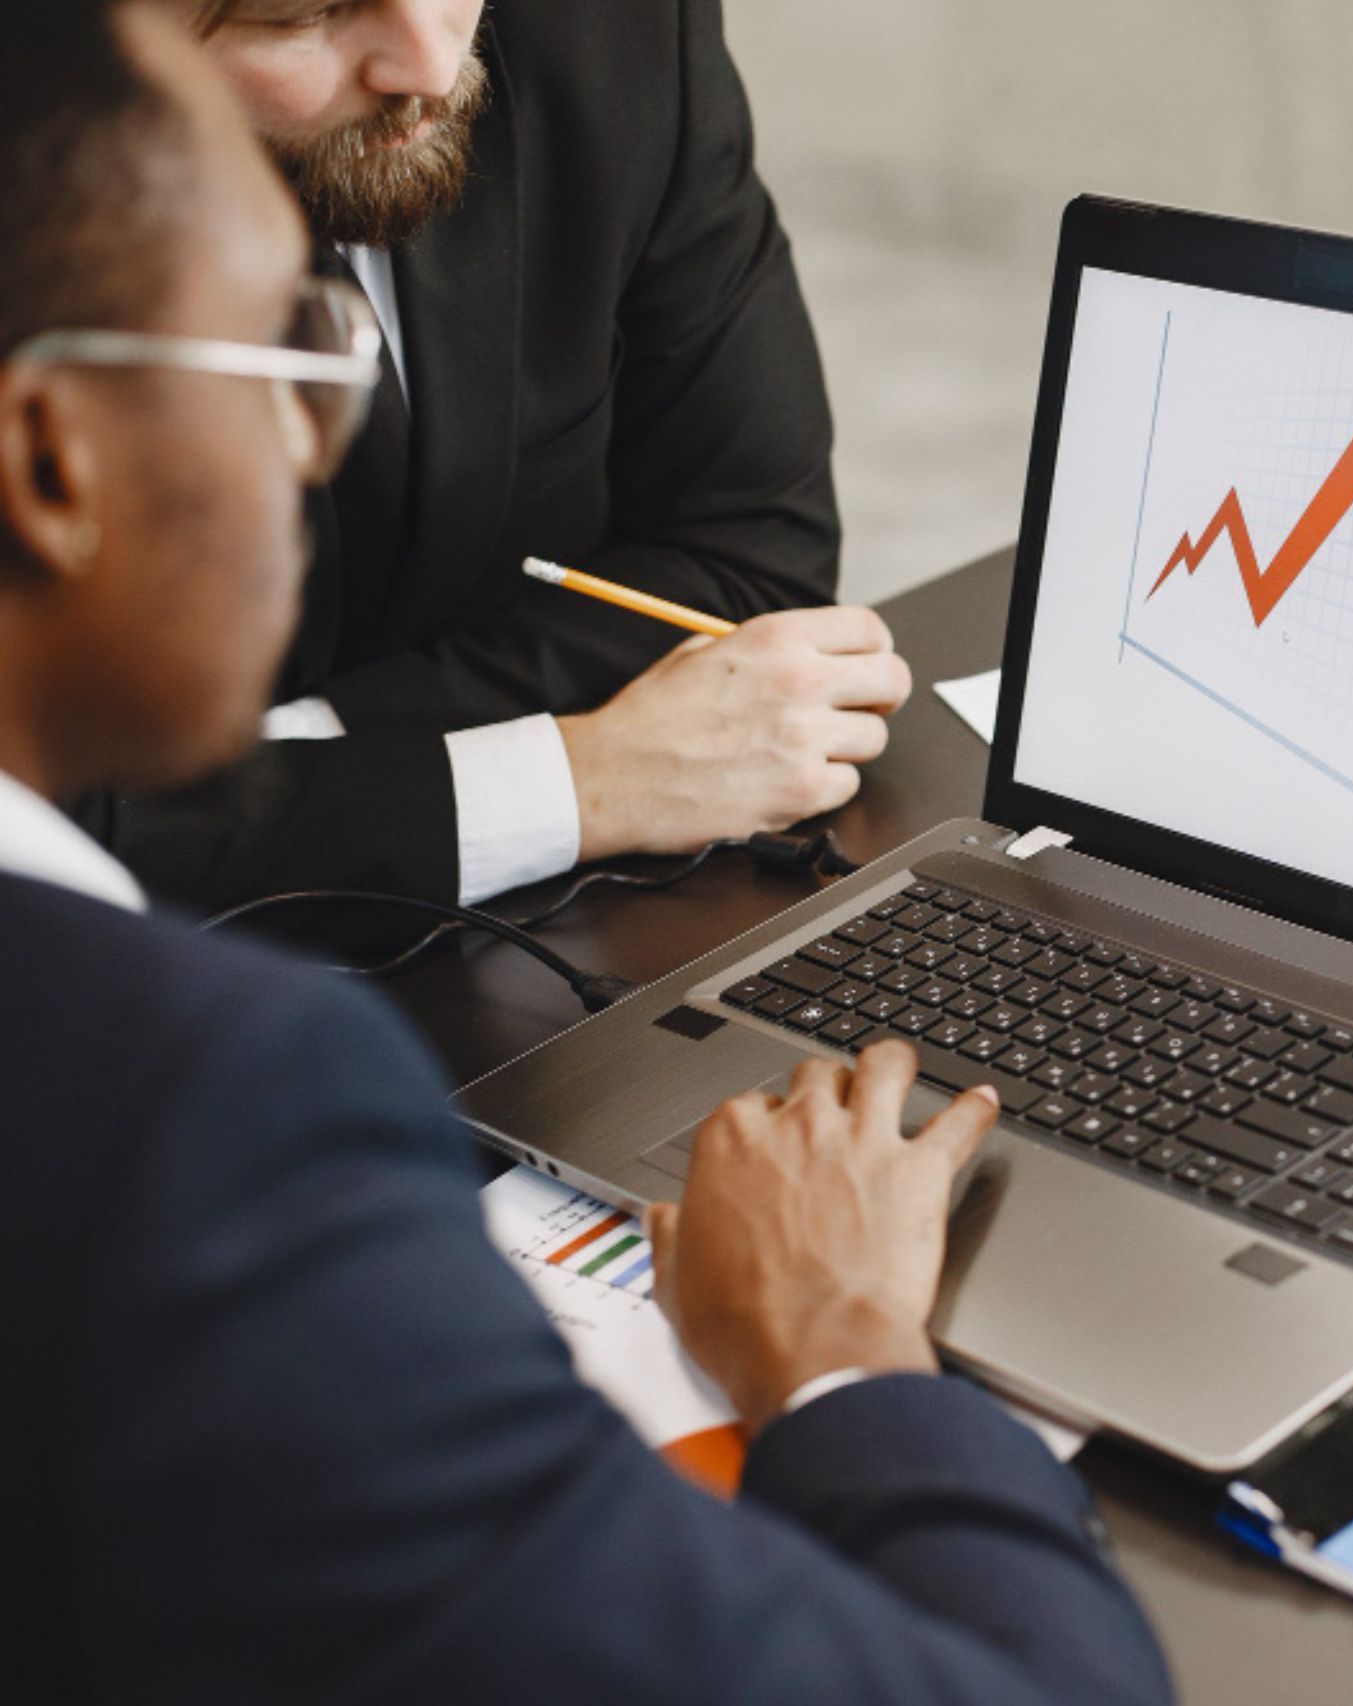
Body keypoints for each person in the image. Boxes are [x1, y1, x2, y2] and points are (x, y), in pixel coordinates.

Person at [0, 6, 1173, 1700]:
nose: (327, 442)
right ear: (51, 457)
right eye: (285, 356)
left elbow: (750, 550)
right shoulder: (204, 1138)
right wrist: (844, 1360)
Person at [72, 0, 912, 912]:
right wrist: (577, 781)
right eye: (306, 15)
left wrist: (265, 775)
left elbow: (751, 564)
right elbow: (41, 834)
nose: (434, 68)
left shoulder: (615, 33)